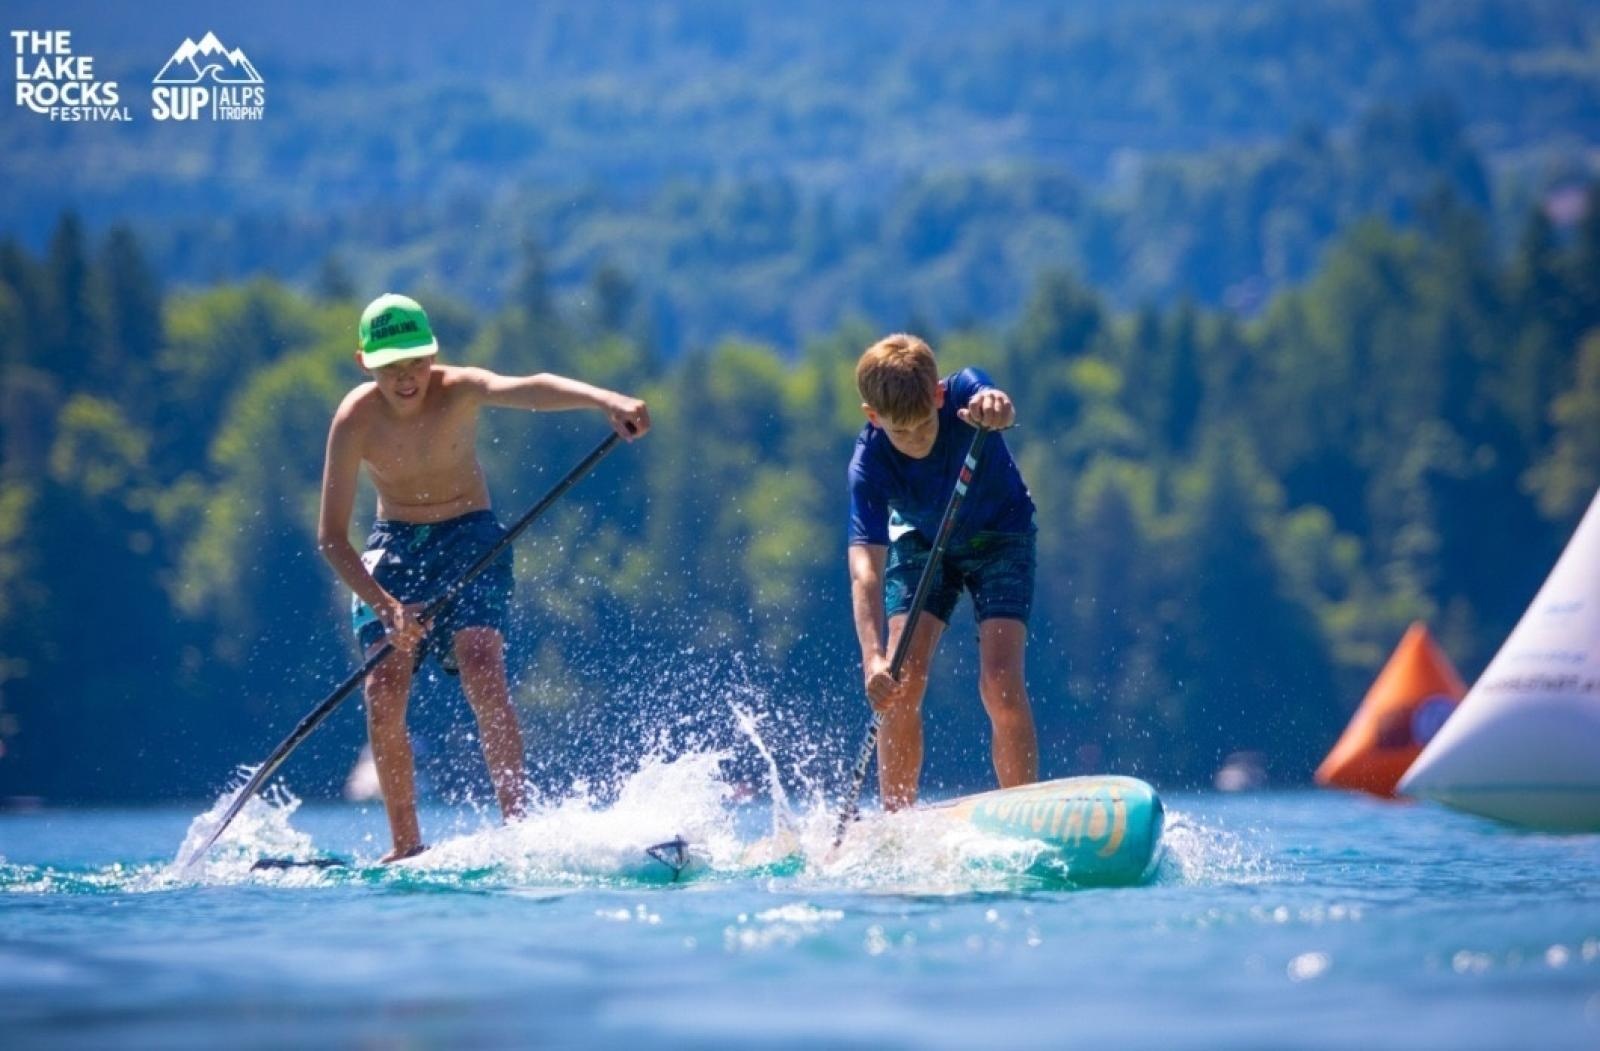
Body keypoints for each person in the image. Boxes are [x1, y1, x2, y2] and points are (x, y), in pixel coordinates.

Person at [318, 292, 649, 862]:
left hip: (470, 534)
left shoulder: (460, 387)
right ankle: (406, 846)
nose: (406, 378)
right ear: (363, 364)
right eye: (390, 368)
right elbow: (331, 538)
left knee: (481, 663)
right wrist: (388, 607)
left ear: (434, 355)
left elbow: (531, 387)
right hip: (394, 550)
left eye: (416, 363)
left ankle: (519, 829)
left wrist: (605, 400)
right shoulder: (354, 420)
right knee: (384, 685)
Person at [847, 333, 1039, 809]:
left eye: (923, 426)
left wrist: (995, 409)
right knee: (899, 682)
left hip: (1001, 538)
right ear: (873, 416)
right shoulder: (868, 465)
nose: (915, 442)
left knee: (1000, 682)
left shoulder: (965, 392)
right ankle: (897, 822)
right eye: (900, 432)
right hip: (921, 540)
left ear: (938, 396)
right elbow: (864, 572)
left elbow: (998, 404)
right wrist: (873, 659)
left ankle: (1023, 810)